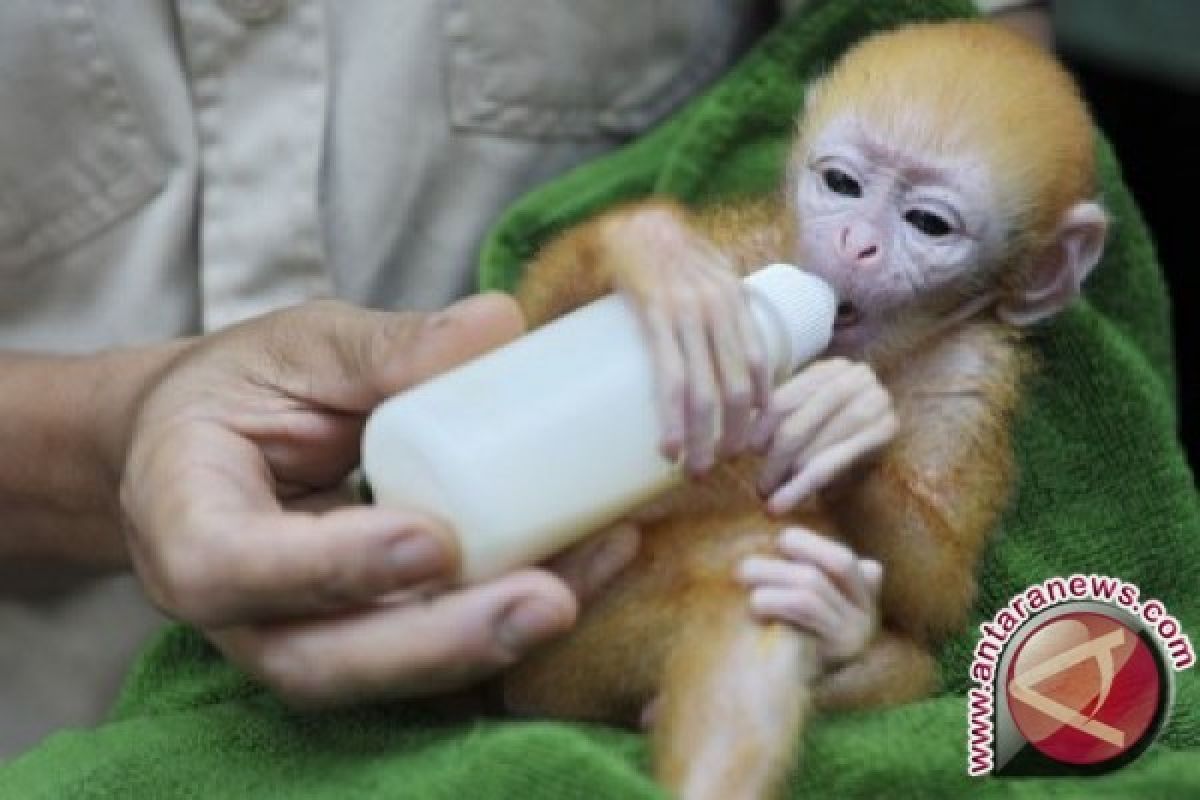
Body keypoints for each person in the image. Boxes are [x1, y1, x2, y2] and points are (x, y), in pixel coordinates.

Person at [0, 0, 1040, 757]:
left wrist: (874, 459)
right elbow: (548, 306)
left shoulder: (957, 355)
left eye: (929, 223)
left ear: (1048, 270)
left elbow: (971, 79)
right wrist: (111, 442)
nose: (853, 247)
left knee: (769, 622)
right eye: (844, 185)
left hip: (591, 608)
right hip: (52, 663)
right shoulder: (740, 246)